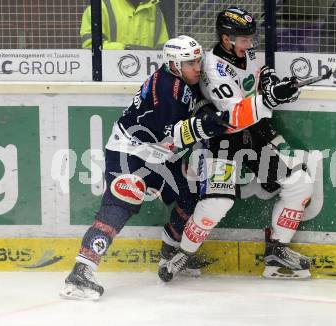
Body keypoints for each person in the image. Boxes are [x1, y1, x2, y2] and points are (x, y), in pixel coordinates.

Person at [60, 35, 229, 300]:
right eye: (190, 63)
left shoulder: (185, 81)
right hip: (129, 154)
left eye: (198, 61)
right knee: (119, 206)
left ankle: (169, 252)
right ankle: (81, 270)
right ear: (174, 65)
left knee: (190, 198)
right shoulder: (166, 89)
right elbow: (171, 135)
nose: (197, 67)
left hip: (159, 156)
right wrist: (204, 125)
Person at [158, 7, 314, 282]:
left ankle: (276, 252)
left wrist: (271, 82)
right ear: (227, 38)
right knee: (217, 203)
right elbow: (235, 115)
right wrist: (271, 99)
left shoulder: (247, 52)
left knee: (299, 182)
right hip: (221, 137)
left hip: (255, 133)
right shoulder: (212, 68)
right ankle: (182, 252)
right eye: (244, 39)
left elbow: (259, 71)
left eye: (251, 38)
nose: (250, 44)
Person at [80, 0, 169, 50]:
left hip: (147, 76)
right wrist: (125, 49)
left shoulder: (155, 12)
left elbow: (163, 49)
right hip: (109, 78)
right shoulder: (100, 8)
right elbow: (91, 46)